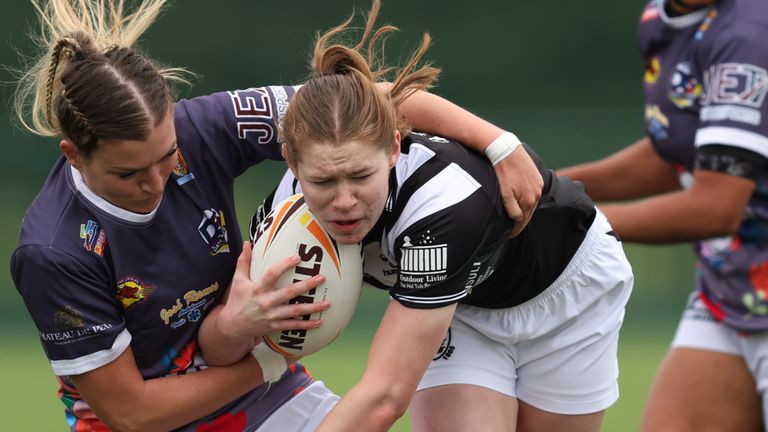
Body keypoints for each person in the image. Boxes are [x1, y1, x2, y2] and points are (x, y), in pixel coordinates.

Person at [8, 0, 545, 430]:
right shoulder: (54, 251)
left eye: (167, 158)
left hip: (266, 398)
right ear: (74, 155)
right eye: (129, 175)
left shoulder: (205, 128)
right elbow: (133, 414)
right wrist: (265, 361)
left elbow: (366, 103)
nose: (157, 183)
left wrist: (499, 145)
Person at [242, 2, 634, 430]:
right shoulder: (281, 216)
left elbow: (385, 395)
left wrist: (500, 143)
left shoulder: (443, 207)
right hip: (460, 311)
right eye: (323, 182)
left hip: (568, 290)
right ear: (292, 165)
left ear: (393, 148)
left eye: (361, 176)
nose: (344, 202)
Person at [558, 0, 768, 430]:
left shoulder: (749, 31)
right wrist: (553, 189)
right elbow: (683, 153)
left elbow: (716, 208)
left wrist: (571, 222)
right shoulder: (663, 18)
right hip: (728, 293)